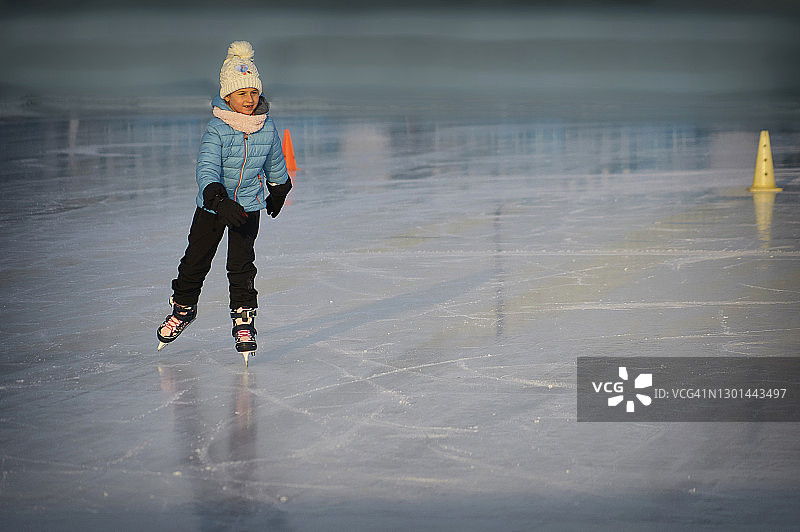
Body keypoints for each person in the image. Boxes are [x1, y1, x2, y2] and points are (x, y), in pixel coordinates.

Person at [156, 40, 292, 360]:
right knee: (196, 260)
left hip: (248, 204)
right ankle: (184, 308)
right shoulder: (217, 127)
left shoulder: (266, 126)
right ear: (228, 96)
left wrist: (279, 188)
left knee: (242, 265)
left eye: (254, 93)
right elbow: (206, 167)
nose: (249, 99)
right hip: (213, 205)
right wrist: (218, 199)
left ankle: (244, 319)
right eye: (242, 93)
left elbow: (274, 160)